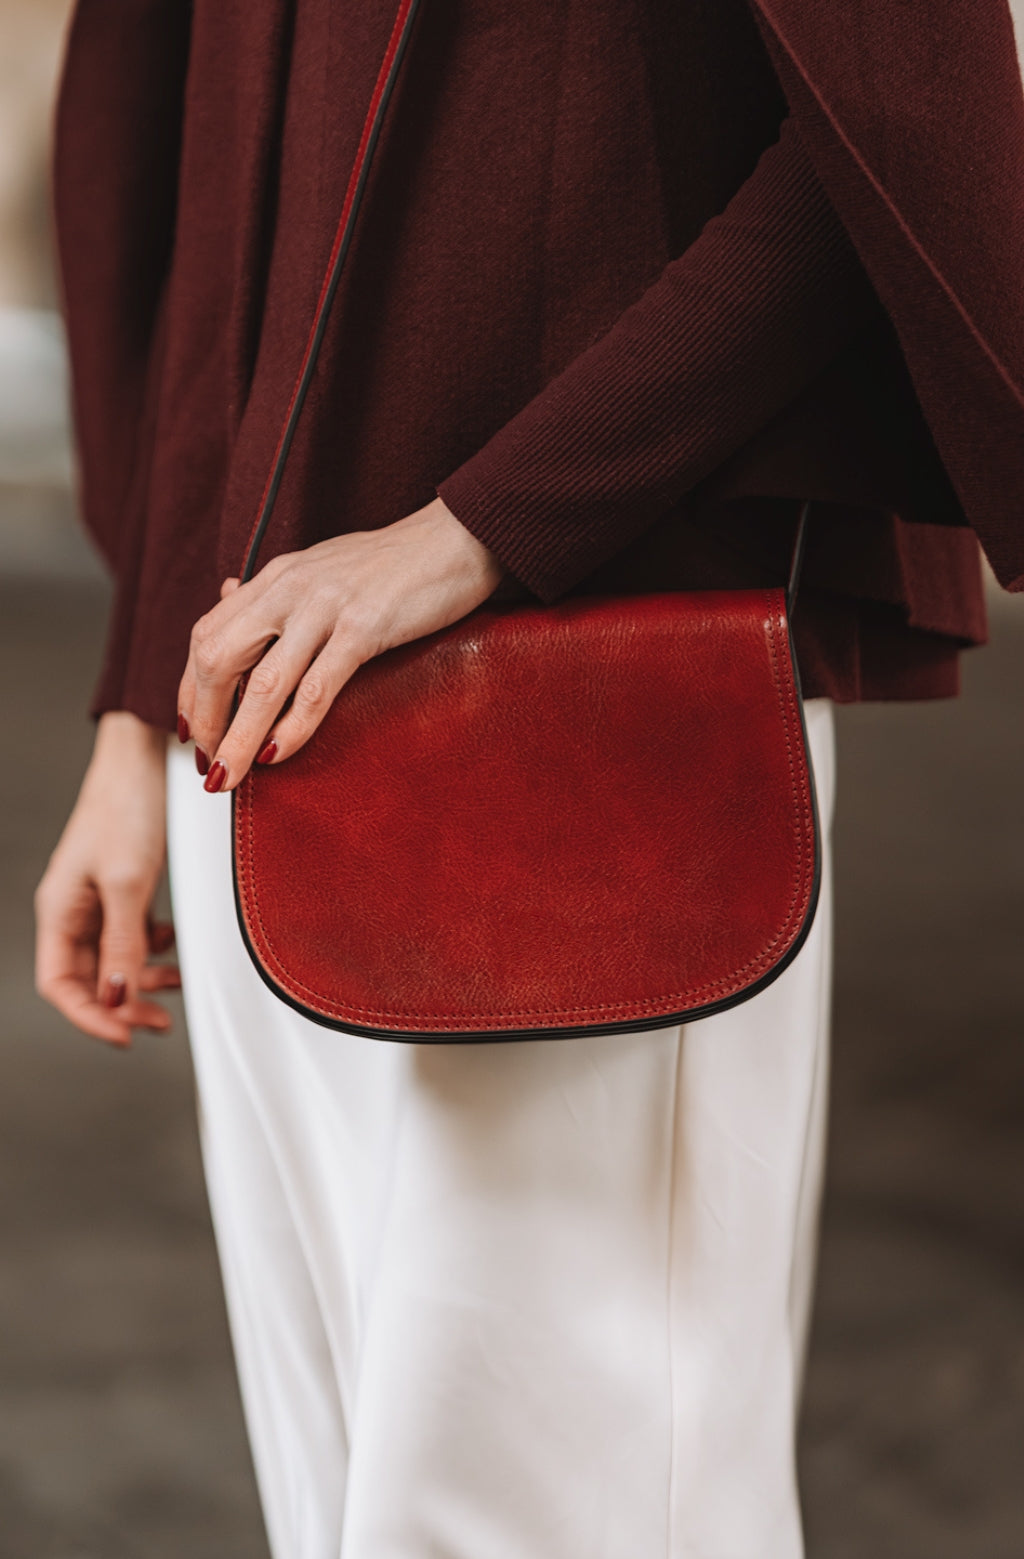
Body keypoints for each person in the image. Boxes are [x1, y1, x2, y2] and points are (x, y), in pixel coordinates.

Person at [34, 1, 1024, 1554]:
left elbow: (887, 144)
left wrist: (480, 526)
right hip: (252, 725)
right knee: (358, 1510)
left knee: (557, 1505)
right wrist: (134, 716)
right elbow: (180, 165)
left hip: (584, 704)